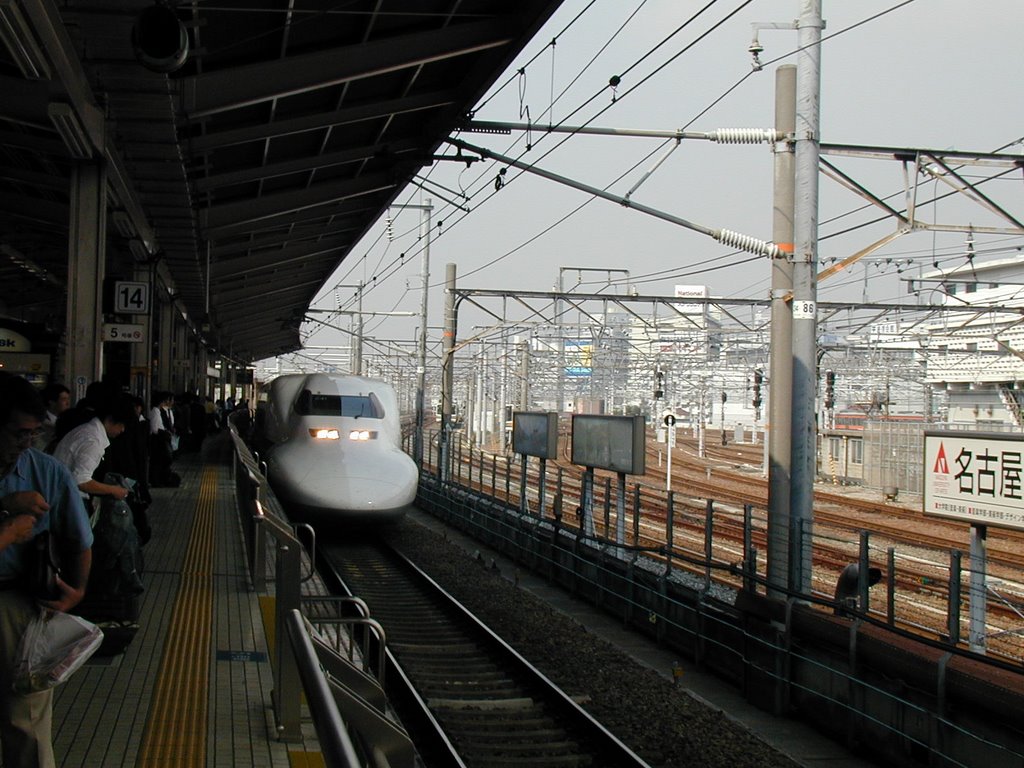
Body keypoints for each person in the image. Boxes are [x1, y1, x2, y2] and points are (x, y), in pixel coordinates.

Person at [0, 374, 93, 768]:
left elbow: (79, 539)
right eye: (19, 433)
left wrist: (77, 590)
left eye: (34, 434)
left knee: (27, 718)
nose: (27, 444)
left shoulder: (47, 472)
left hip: (20, 605)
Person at [52, 395, 136, 510]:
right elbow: (81, 481)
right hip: (66, 502)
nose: (122, 430)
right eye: (122, 425)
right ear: (110, 419)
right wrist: (113, 490)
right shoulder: (92, 441)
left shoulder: (87, 430)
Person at [33, 384, 70, 452]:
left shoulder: (67, 420)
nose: (68, 403)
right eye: (64, 399)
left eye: (68, 399)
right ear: (52, 402)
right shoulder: (40, 422)